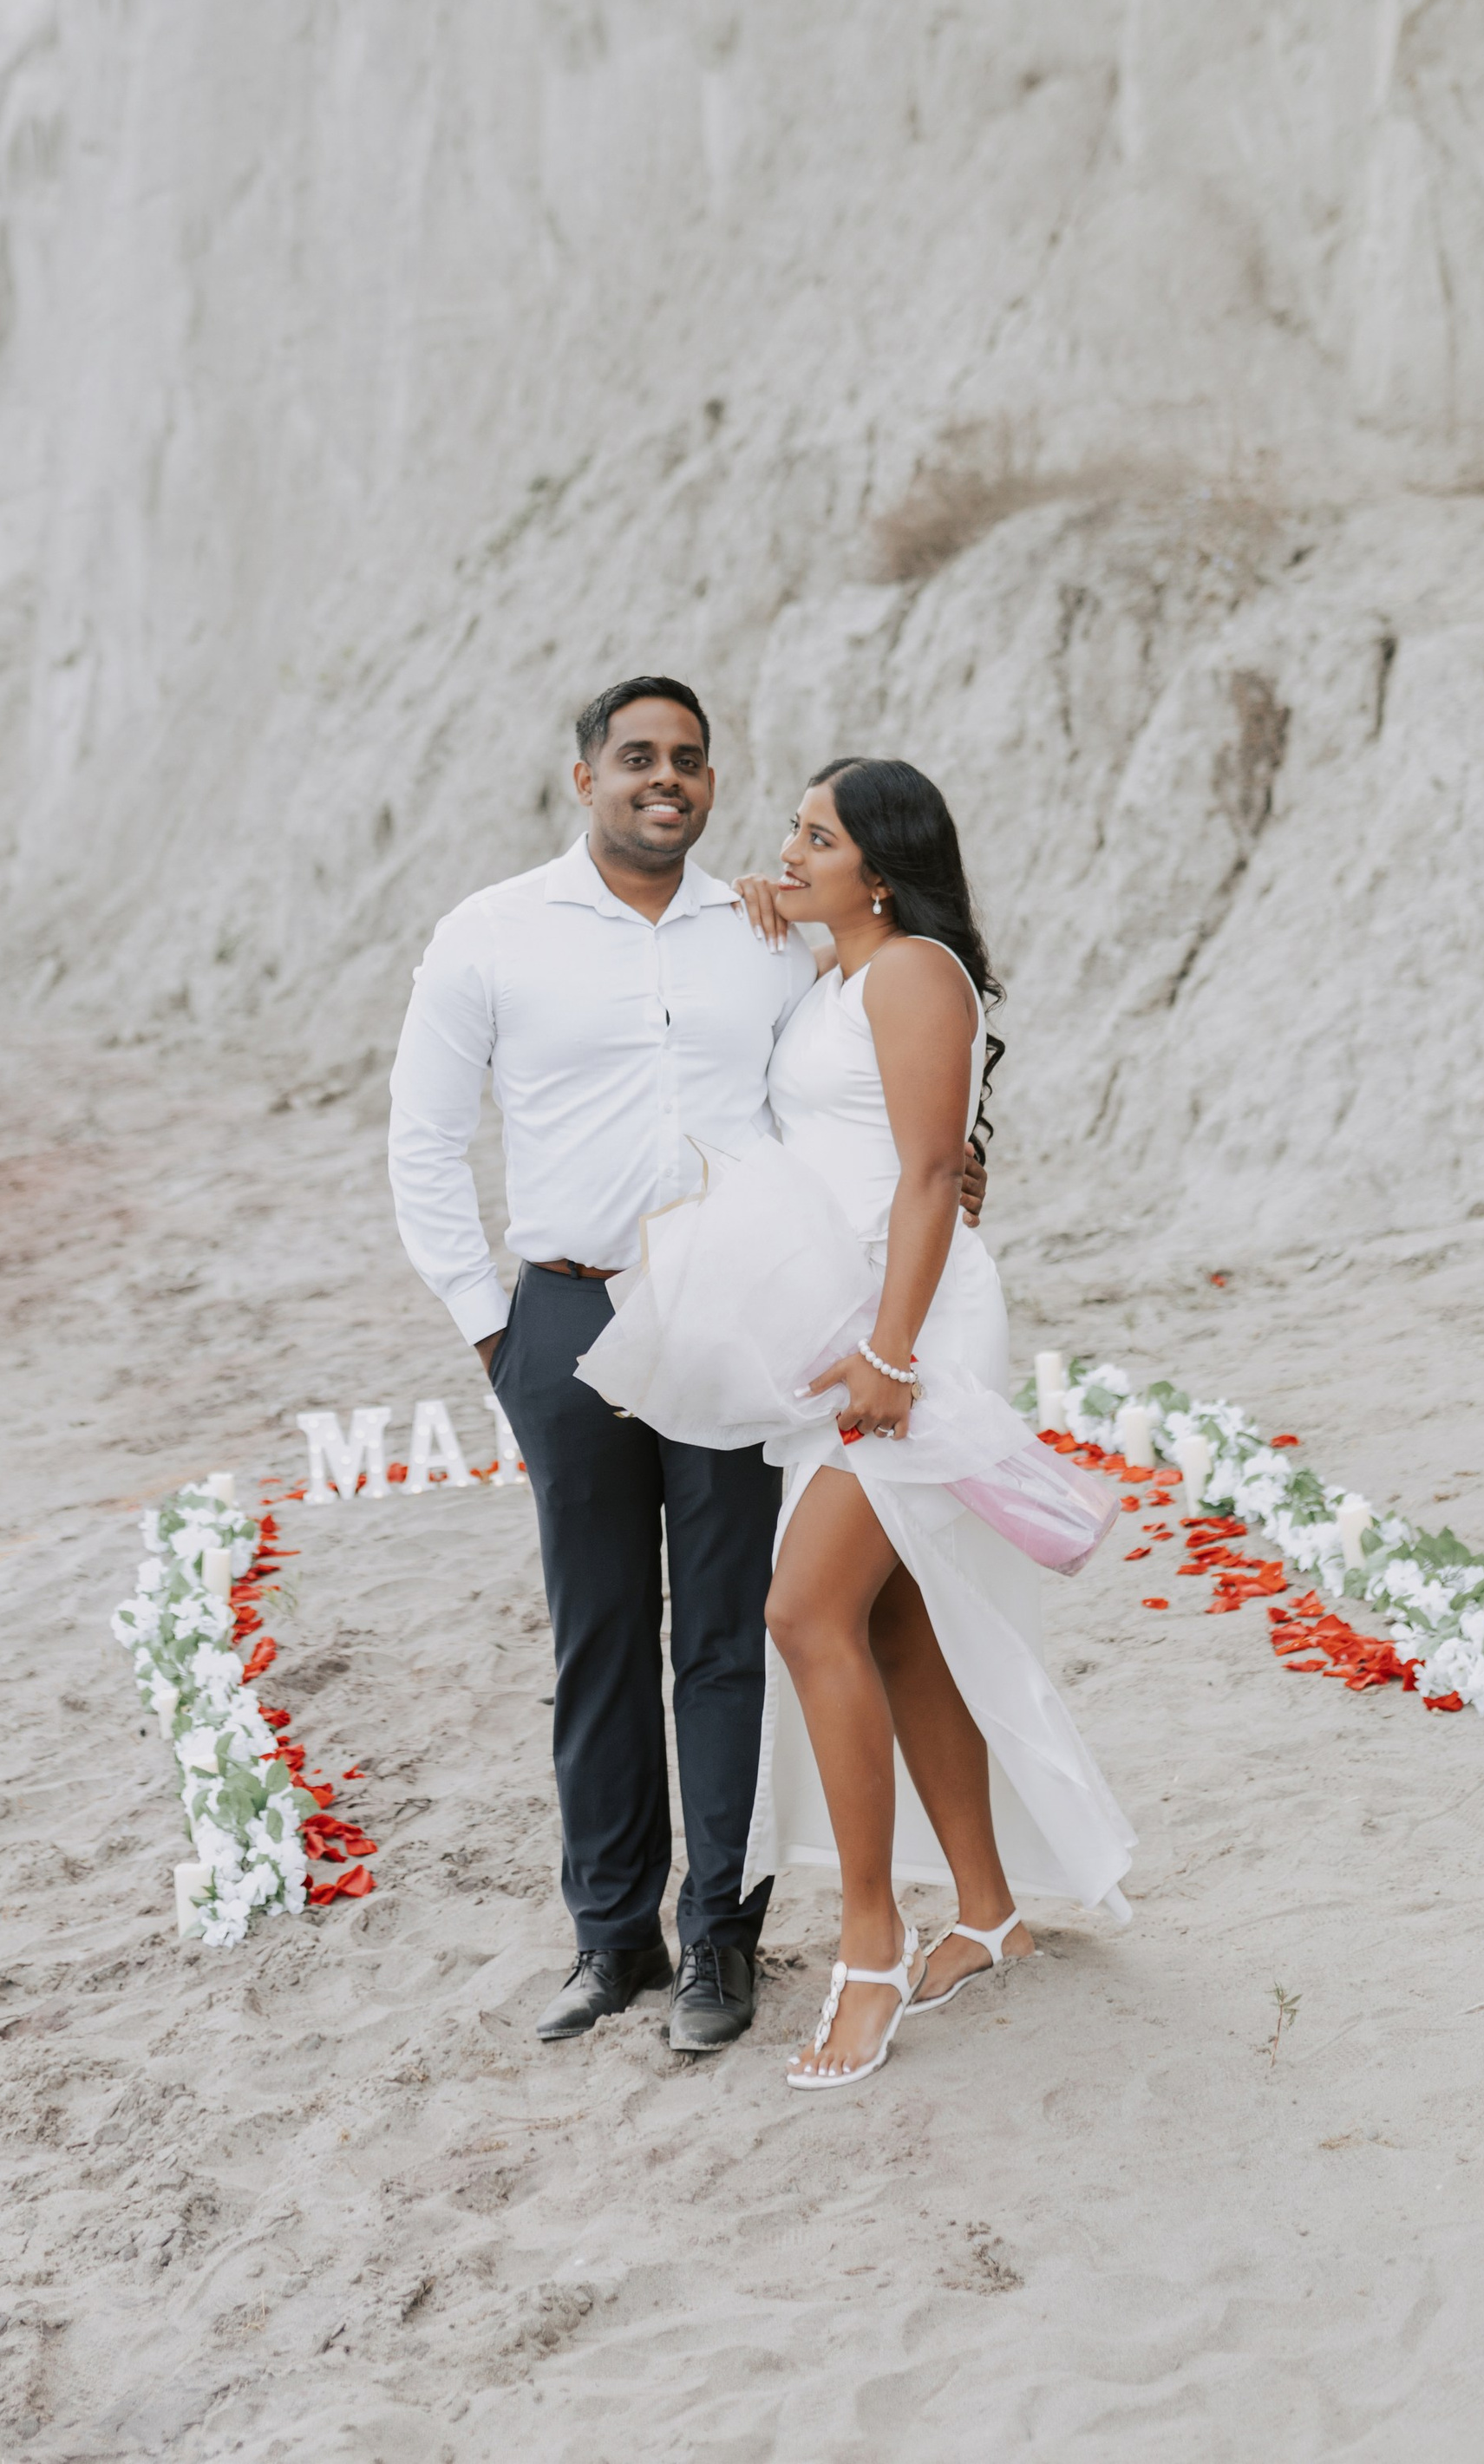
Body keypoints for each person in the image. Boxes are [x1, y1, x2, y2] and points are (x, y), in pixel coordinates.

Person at [387, 681, 986, 2053]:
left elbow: (879, 1077)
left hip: (731, 1325)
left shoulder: (765, 930)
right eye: (639, 758)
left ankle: (721, 1935)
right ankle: (612, 1941)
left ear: (711, 785)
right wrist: (494, 1331)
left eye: (691, 762)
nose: (668, 779)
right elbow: (423, 1145)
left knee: (728, 1636)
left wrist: (955, 1166)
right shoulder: (491, 932)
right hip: (568, 1318)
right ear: (584, 775)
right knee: (597, 1638)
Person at [654, 758, 1133, 2088]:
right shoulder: (837, 973)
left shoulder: (916, 970)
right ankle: (988, 1912)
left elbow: (931, 1172)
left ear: (883, 868)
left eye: (819, 837)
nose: (790, 850)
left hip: (908, 1335)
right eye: (791, 830)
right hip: (848, 1334)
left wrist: (892, 1351)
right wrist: (763, 903)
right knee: (897, 1622)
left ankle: (872, 1942)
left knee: (803, 1612)